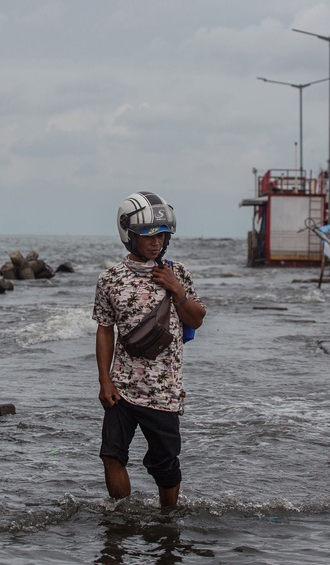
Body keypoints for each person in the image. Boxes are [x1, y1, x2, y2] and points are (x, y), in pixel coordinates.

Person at [92, 191, 206, 508]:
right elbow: (104, 329)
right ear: (129, 236)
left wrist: (176, 288)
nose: (155, 242)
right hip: (122, 388)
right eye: (147, 235)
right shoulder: (110, 280)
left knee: (165, 464)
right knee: (111, 455)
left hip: (165, 391)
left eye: (161, 235)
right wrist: (104, 380)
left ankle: (168, 522)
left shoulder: (178, 272)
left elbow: (196, 320)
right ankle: (123, 518)